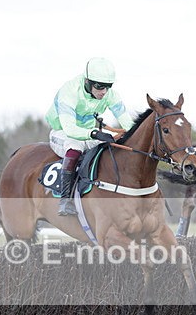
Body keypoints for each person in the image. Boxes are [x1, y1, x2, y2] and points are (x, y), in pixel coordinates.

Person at [45, 57, 135, 216]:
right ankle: (65, 200)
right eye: (100, 87)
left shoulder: (110, 95)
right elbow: (70, 129)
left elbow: (128, 123)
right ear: (87, 81)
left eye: (108, 87)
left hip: (87, 134)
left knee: (111, 148)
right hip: (63, 132)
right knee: (76, 146)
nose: (104, 92)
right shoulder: (70, 91)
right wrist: (95, 133)